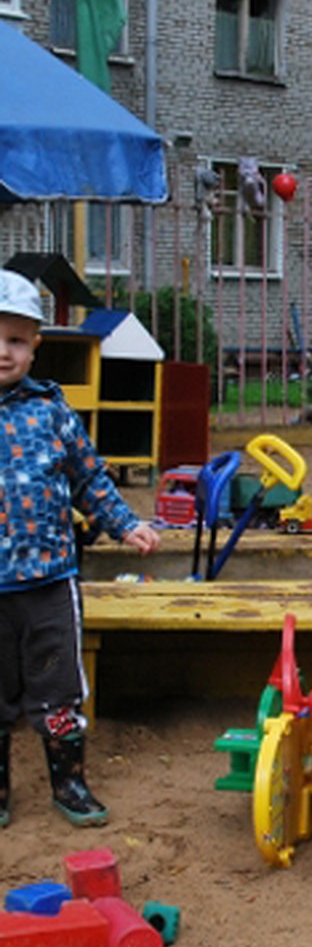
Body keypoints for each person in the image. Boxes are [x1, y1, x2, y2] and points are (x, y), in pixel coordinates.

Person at [0, 269, 161, 828]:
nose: (4, 352)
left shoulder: (50, 410)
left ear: (35, 345)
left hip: (48, 581)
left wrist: (123, 523)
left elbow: (89, 479)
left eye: (16, 340)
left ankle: (68, 782)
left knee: (59, 692)